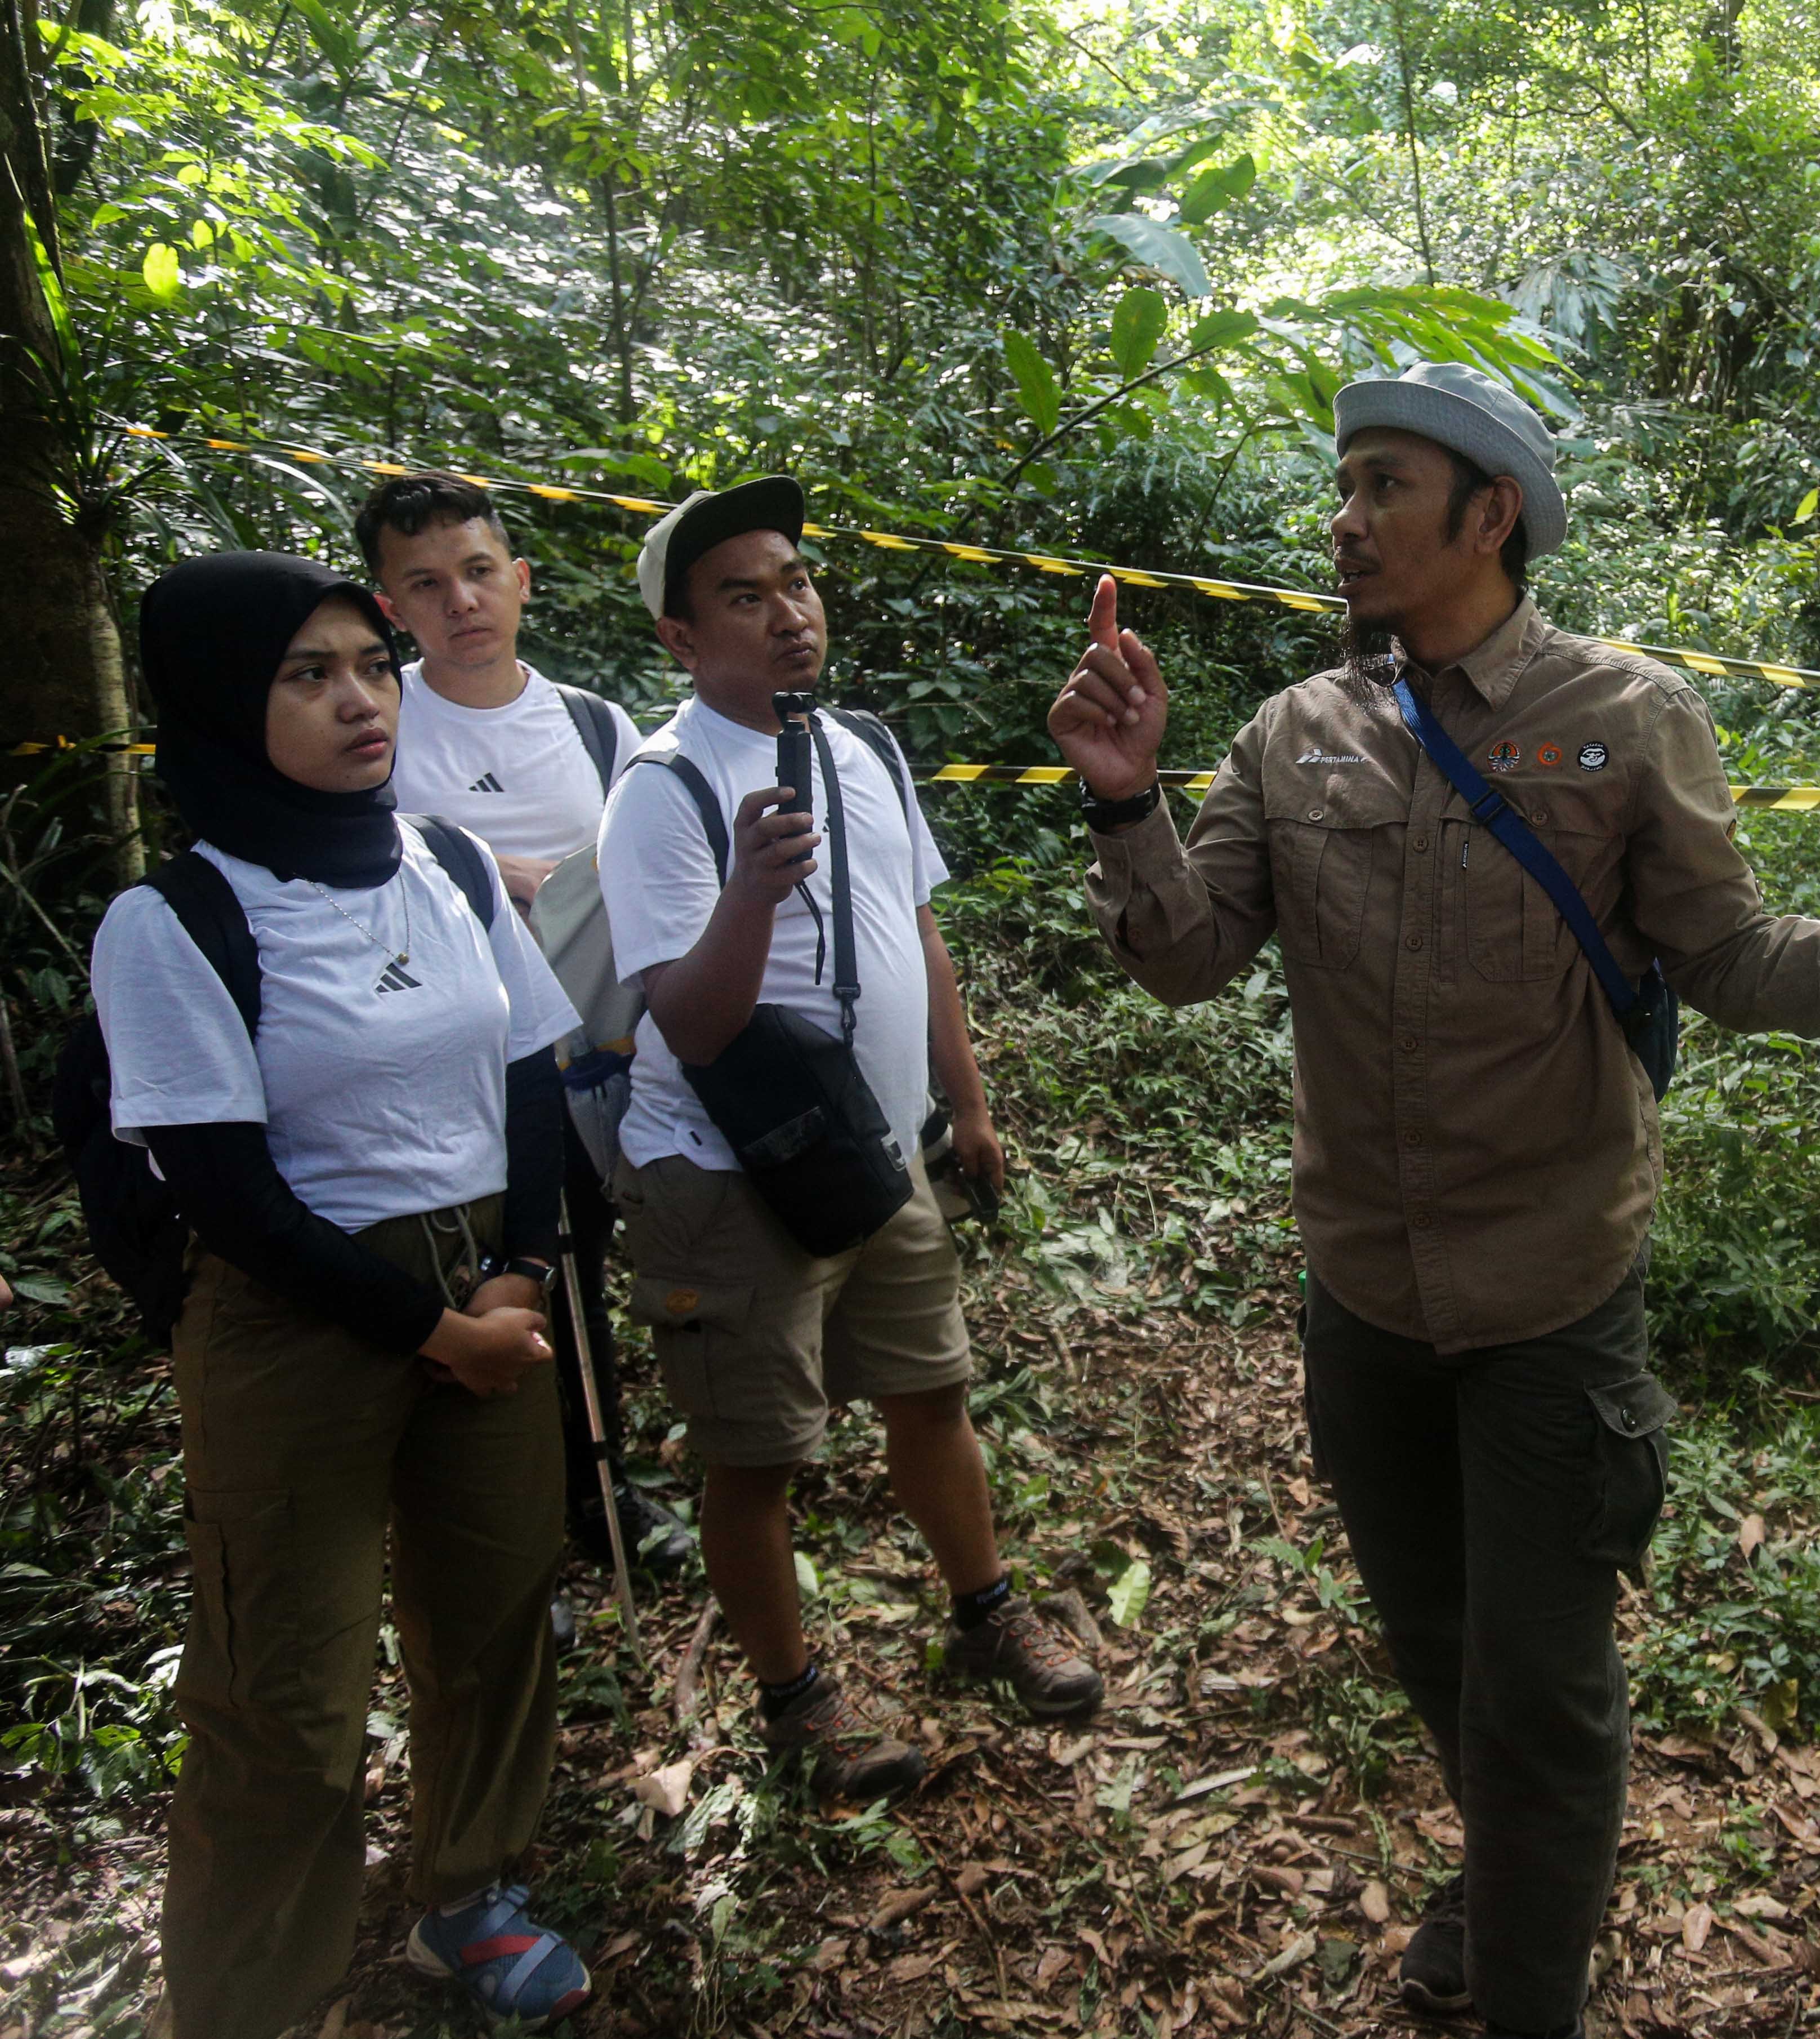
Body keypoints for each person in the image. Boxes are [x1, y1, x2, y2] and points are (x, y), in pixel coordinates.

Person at [1050, 362, 1820, 2039]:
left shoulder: (1623, 719)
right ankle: (1500, 1871)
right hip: (1361, 1297)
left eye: (1384, 488)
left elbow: (1725, 955)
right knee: (1440, 1647)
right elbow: (1188, 960)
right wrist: (1123, 798)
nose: (1344, 522)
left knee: (1545, 1694)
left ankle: (1526, 1997)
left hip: (1550, 1307)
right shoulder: (1289, 735)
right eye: (1341, 487)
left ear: (1489, 515)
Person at [91, 553, 596, 2032]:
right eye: (306, 674)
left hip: (479, 1286)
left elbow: (527, 1067)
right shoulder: (179, 916)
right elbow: (227, 1194)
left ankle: (467, 1896)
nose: (359, 698)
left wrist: (519, 1265)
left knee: (494, 1611)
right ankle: (255, 1993)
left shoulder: (437, 859)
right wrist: (435, 1327)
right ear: (220, 705)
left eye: (368, 665)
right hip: (294, 1323)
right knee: (285, 1700)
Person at [597, 476, 1101, 1800]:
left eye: (797, 583)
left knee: (930, 1390)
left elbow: (916, 930)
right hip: (725, 1173)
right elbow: (693, 1026)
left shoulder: (862, 746)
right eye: (741, 597)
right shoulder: (660, 791)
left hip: (876, 1150)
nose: (785, 614)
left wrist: (969, 1102)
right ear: (680, 638)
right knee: (755, 1453)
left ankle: (986, 1612)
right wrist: (753, 892)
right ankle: (792, 1699)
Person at [354, 472, 694, 1622]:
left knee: (583, 1273)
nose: (462, 602)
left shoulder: (597, 725)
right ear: (392, 606)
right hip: (444, 1070)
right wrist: (478, 871)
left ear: (522, 581)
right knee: (478, 1286)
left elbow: (660, 863)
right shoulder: (376, 723)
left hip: (594, 1058)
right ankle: (503, 1534)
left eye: (480, 571)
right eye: (427, 584)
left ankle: (600, 1494)